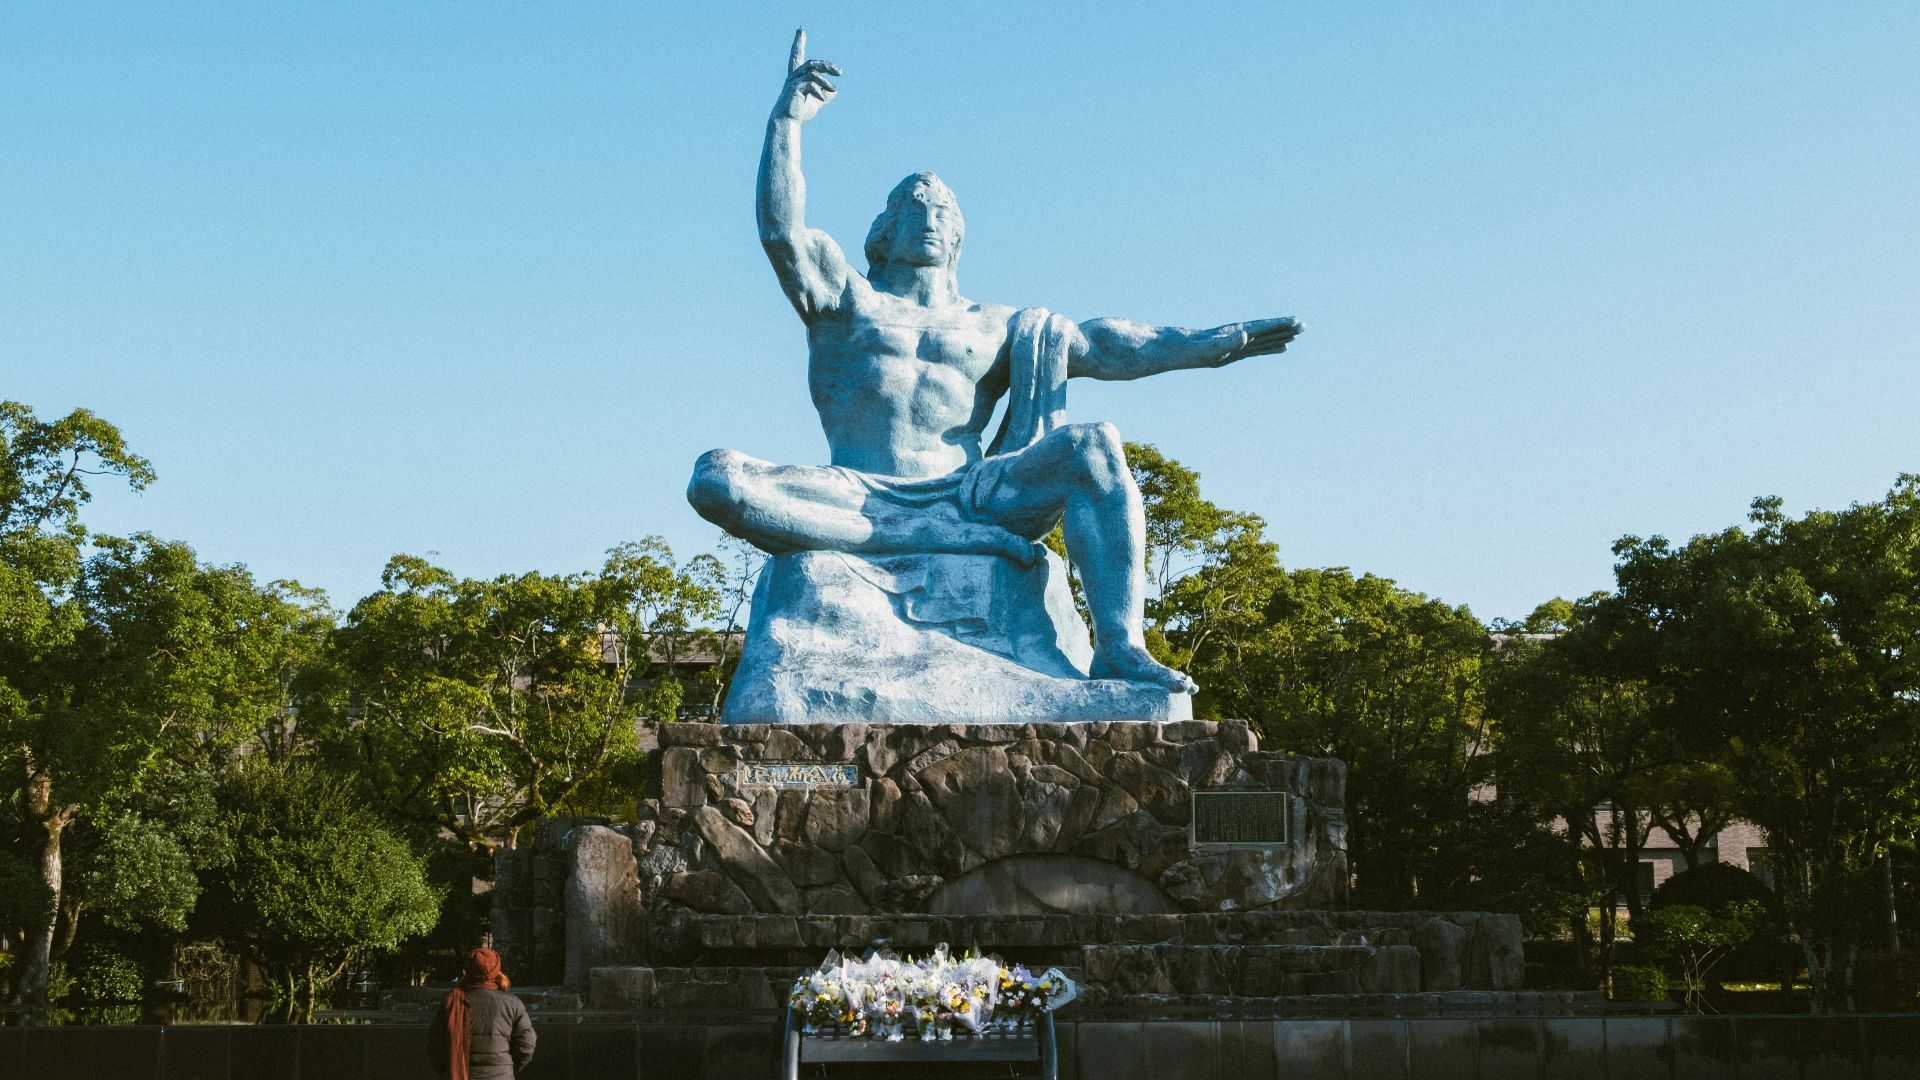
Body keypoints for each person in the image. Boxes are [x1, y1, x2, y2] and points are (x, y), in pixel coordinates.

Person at [687, 31, 1301, 695]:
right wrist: (787, 123)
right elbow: (783, 232)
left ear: (959, 233)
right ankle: (920, 531)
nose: (929, 217)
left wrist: (1209, 345)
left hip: (973, 494)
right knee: (717, 480)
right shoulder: (846, 302)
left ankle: (1121, 645)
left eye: (942, 209)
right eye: (912, 207)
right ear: (883, 231)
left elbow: (1114, 344)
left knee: (1095, 447)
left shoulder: (1000, 326)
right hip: (856, 489)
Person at [427, 947, 535, 1080]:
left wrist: (448, 1070)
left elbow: (435, 1045)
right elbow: (527, 1044)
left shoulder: (451, 1002)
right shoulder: (513, 1003)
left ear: (467, 970)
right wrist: (507, 1068)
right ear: (496, 970)